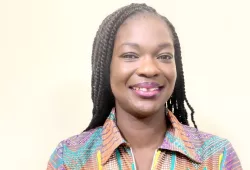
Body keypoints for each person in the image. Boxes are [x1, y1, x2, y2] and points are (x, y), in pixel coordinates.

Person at [46, 3, 242, 170]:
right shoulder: (70, 159)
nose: (149, 69)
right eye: (130, 55)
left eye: (164, 56)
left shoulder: (217, 157)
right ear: (106, 67)